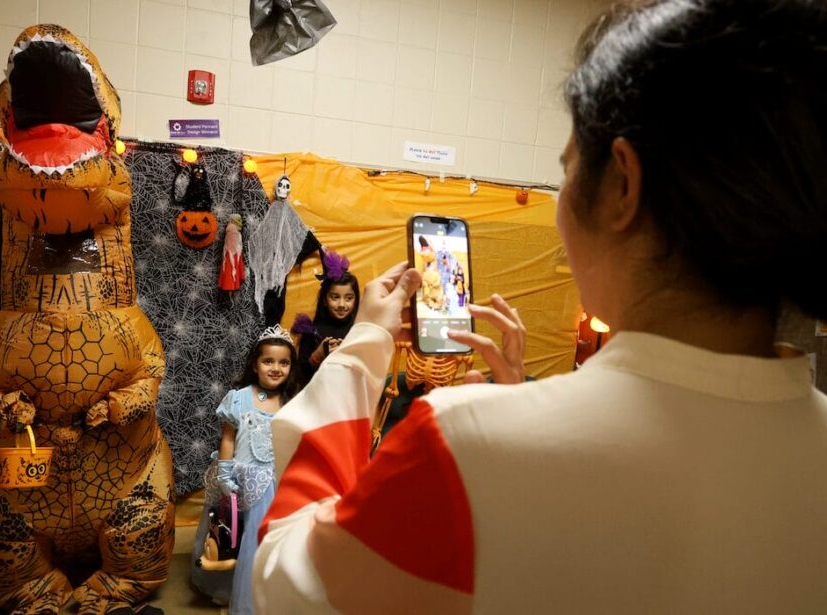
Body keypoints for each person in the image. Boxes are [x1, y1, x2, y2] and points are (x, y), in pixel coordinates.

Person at [252, 0, 827, 611]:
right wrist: (517, 403)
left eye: (568, 168)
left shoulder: (461, 444)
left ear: (622, 187)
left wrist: (362, 349)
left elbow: (285, 584)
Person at [190, 324, 299, 613]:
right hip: (240, 477)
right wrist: (225, 473)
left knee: (261, 540)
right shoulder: (239, 398)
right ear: (255, 364)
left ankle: (262, 593)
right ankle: (229, 588)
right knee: (231, 535)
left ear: (291, 367)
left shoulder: (291, 402)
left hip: (274, 483)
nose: (275, 368)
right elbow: (227, 437)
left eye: (284, 362)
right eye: (268, 361)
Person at [292, 250, 360, 386]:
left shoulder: (359, 330)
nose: (342, 304)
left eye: (349, 298)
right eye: (335, 297)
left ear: (356, 299)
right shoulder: (312, 332)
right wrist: (317, 355)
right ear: (324, 299)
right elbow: (300, 376)